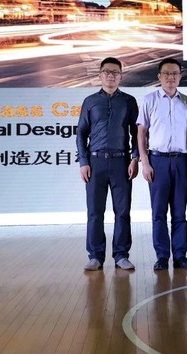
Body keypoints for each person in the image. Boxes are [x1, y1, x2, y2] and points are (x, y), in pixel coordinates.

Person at [76, 57, 139, 271]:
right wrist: (83, 162)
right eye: (107, 72)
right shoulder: (90, 101)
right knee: (95, 212)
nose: (111, 76)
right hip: (95, 163)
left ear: (121, 76)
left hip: (121, 162)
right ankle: (95, 256)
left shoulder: (128, 101)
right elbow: (81, 133)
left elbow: (136, 132)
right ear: (100, 75)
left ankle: (121, 255)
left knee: (122, 211)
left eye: (115, 72)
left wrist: (135, 158)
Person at [137, 58, 187, 271]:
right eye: (166, 73)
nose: (171, 77)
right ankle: (162, 256)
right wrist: (145, 163)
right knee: (159, 212)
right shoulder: (149, 100)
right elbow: (141, 133)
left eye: (175, 73)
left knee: (180, 213)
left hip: (181, 161)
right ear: (159, 76)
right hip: (158, 161)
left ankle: (180, 255)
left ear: (180, 76)